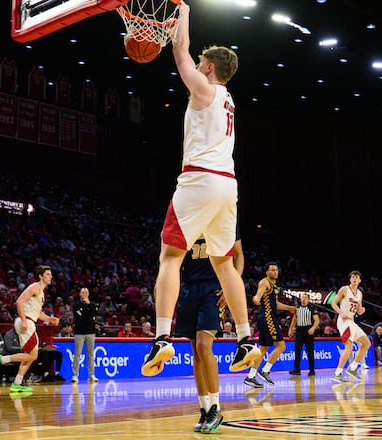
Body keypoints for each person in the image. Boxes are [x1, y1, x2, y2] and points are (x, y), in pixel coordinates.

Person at [141, 0, 260, 377]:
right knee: (224, 264)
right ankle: (245, 340)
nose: (198, 63)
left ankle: (161, 338)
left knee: (170, 257)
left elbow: (179, 52)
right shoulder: (229, 99)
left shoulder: (206, 91)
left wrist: (184, 12)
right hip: (228, 187)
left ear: (208, 67)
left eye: (202, 61)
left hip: (200, 180)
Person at [175, 233, 243, 433]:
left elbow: (238, 255)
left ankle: (215, 406)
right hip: (189, 288)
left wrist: (232, 285)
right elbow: (173, 259)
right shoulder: (187, 217)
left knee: (204, 346)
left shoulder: (221, 215)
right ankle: (204, 408)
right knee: (196, 352)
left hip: (213, 287)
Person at [0, 265, 61, 392]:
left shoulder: (41, 293)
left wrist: (50, 319)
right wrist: (23, 320)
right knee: (33, 355)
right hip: (26, 322)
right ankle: (2, 358)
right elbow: (19, 302)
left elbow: (38, 314)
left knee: (29, 355)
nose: (50, 276)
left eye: (50, 274)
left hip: (29, 321)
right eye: (48, 274)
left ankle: (17, 383)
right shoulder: (35, 287)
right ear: (40, 276)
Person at [244, 262, 296, 388]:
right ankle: (265, 370)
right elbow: (258, 296)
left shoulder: (273, 285)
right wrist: (256, 298)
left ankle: (250, 377)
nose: (275, 272)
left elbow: (275, 303)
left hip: (266, 318)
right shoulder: (265, 282)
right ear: (266, 272)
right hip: (267, 317)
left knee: (263, 349)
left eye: (276, 270)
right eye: (272, 270)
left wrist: (289, 308)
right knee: (281, 346)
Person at [331, 270, 372, 382]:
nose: (354, 278)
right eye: (352, 277)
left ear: (359, 280)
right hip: (343, 321)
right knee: (348, 347)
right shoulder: (344, 289)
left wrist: (361, 310)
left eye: (356, 277)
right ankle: (337, 373)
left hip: (352, 322)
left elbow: (359, 311)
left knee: (367, 343)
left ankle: (353, 367)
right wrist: (341, 313)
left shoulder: (359, 294)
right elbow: (333, 303)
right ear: (350, 279)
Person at [71, 287, 99, 383]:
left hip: (91, 332)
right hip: (79, 333)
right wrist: (89, 313)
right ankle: (75, 375)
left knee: (91, 354)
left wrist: (88, 305)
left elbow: (95, 313)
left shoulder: (92, 304)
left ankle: (91, 375)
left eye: (86, 292)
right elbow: (80, 317)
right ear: (79, 294)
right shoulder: (76, 305)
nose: (84, 294)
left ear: (88, 294)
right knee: (77, 354)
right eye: (82, 292)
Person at [288, 292, 319, 376]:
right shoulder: (297, 308)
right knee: (297, 351)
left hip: (308, 330)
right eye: (302, 297)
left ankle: (312, 370)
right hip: (299, 331)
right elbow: (294, 319)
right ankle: (296, 369)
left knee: (310, 352)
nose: (304, 299)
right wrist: (290, 329)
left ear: (308, 299)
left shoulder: (311, 308)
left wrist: (312, 328)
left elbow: (317, 320)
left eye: (305, 297)